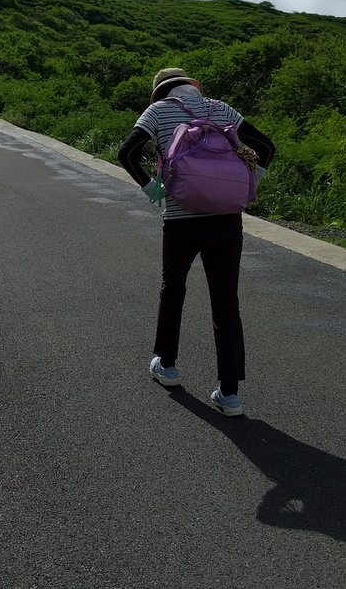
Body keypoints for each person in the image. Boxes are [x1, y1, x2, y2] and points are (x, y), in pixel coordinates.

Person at [118, 68, 275, 417]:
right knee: (226, 302)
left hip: (181, 219)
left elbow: (127, 152)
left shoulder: (158, 111)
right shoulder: (220, 108)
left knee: (173, 288)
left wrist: (152, 188)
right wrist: (251, 183)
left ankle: (167, 365)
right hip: (226, 220)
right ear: (192, 87)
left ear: (161, 91)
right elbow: (266, 147)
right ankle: (230, 394)